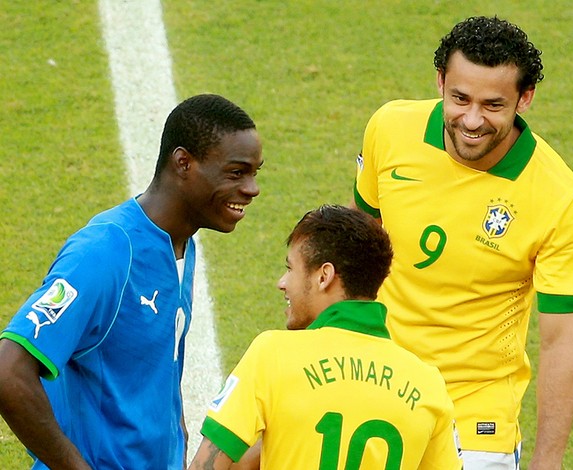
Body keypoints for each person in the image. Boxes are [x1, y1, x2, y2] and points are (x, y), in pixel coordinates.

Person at [352, 15, 573, 470]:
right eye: (459, 98)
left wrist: (549, 458)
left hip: (477, 416)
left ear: (525, 98)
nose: (472, 120)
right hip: (374, 381)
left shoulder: (559, 197)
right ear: (440, 81)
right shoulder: (390, 128)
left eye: (493, 104)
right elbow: (355, 250)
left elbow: (564, 337)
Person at [0, 94, 263, 469]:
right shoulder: (106, 251)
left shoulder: (182, 241)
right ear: (184, 163)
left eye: (255, 173)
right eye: (237, 173)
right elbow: (8, 371)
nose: (252, 189)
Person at [188, 205, 462, 470]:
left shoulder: (272, 355)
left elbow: (206, 466)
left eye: (291, 268)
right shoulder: (428, 385)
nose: (282, 282)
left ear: (324, 276)